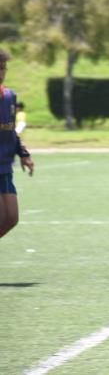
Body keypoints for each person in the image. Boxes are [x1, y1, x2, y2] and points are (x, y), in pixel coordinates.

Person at [0, 49, 34, 240]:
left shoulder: (9, 97)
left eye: (3, 68)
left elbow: (11, 130)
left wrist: (23, 154)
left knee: (11, 218)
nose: (1, 73)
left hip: (4, 166)